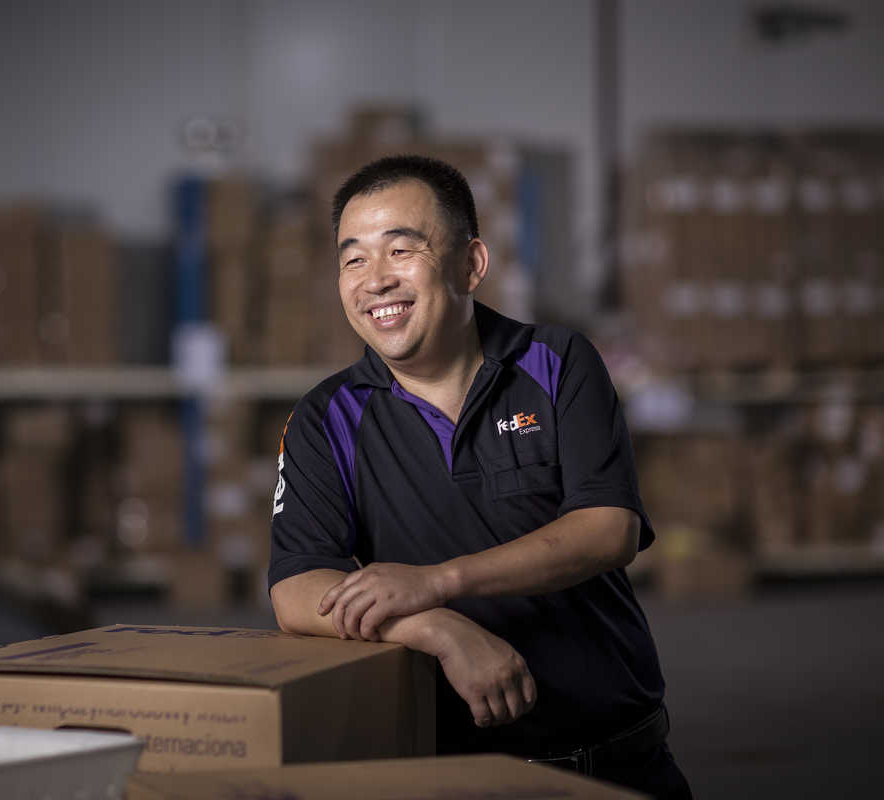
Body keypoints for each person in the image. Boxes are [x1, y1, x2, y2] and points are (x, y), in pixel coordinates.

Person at [268, 155, 691, 798]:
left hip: (617, 764)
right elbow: (296, 586)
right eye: (353, 260)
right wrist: (437, 627)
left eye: (401, 250)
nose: (374, 280)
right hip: (451, 773)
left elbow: (609, 529)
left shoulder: (557, 364)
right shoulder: (326, 419)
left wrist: (437, 581)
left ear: (472, 264)